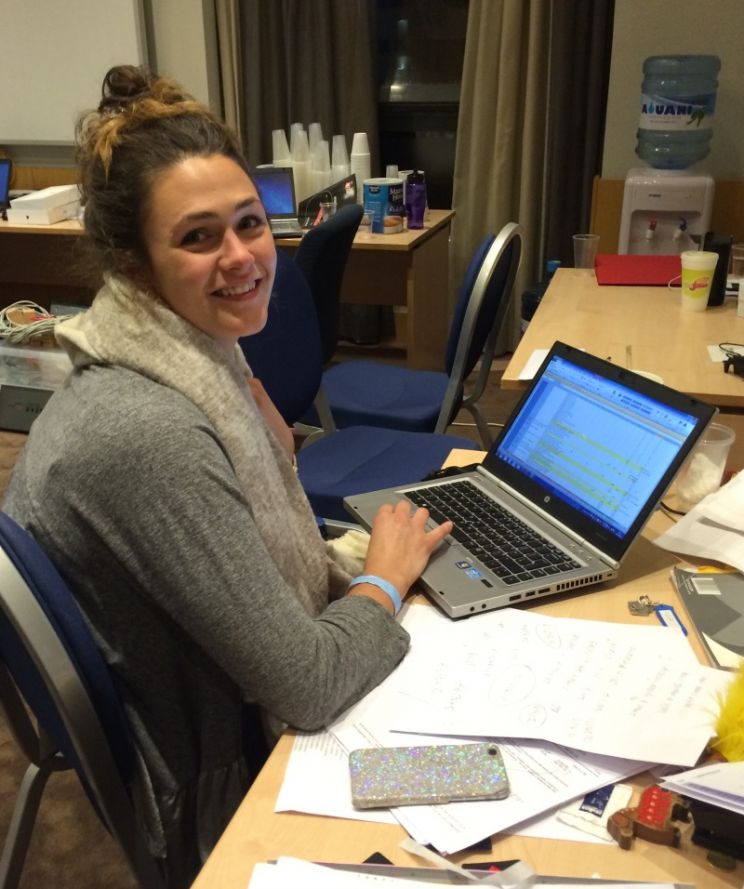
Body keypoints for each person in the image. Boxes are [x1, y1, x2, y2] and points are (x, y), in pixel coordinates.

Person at [2, 65, 452, 888]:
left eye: (250, 223)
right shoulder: (148, 432)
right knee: (483, 782)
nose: (243, 256)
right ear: (135, 263)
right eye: (198, 237)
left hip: (234, 710)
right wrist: (383, 581)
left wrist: (278, 459)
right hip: (234, 782)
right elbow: (306, 683)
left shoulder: (191, 362)